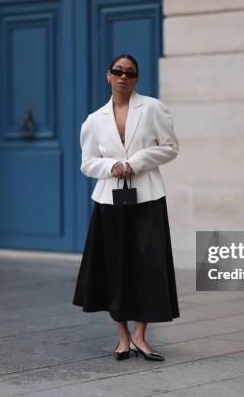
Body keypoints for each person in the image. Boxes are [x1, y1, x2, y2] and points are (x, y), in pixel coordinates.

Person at [72, 54, 180, 362]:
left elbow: (170, 147)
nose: (123, 77)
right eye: (118, 71)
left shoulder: (153, 108)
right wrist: (113, 165)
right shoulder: (94, 120)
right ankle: (122, 338)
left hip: (147, 198)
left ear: (136, 78)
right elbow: (87, 163)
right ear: (108, 75)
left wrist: (135, 162)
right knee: (114, 267)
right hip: (110, 202)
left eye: (130, 73)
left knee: (149, 265)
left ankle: (140, 336)